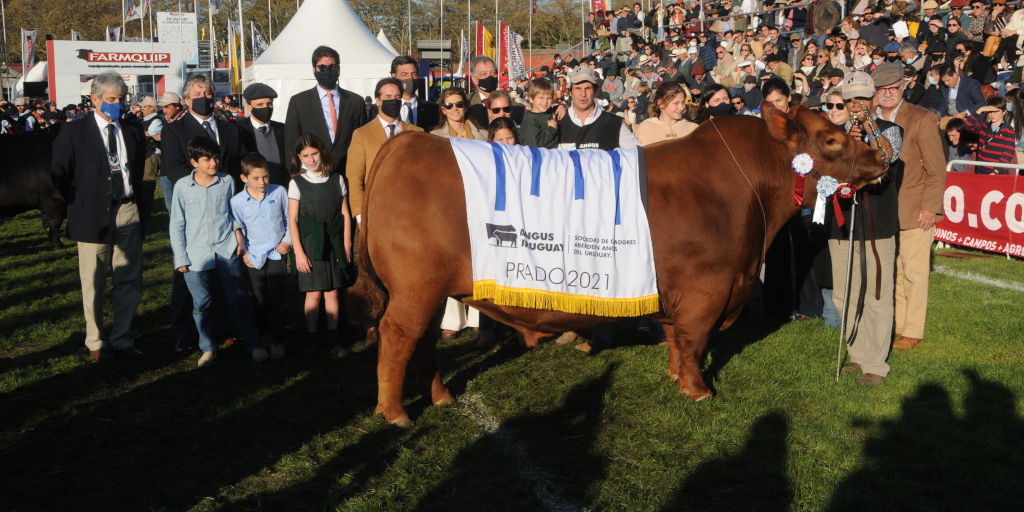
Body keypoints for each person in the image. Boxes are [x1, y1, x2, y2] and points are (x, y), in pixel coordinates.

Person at [50, 71, 147, 363]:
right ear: (94, 99)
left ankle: (122, 338)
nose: (117, 104)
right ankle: (95, 340)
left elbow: (138, 170)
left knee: (129, 278)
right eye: (111, 99)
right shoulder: (73, 132)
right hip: (90, 213)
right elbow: (59, 174)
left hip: (127, 209)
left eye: (121, 99)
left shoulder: (131, 130)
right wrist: (80, 200)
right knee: (93, 281)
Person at [829, 71, 903, 387]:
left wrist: (869, 128)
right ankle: (857, 354)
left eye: (862, 98)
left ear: (873, 99)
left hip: (878, 223)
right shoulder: (834, 134)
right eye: (850, 99)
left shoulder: (891, 130)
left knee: (877, 293)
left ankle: (876, 364)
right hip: (843, 223)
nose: (856, 104)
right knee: (844, 295)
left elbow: (887, 156)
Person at [161, 73, 244, 353]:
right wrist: (201, 185)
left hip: (224, 208)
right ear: (185, 100)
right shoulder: (174, 130)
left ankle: (222, 328)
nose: (204, 97)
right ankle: (184, 334)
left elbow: (234, 164)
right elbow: (172, 168)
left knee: (224, 273)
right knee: (188, 275)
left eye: (208, 93)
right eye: (197, 93)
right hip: (192, 210)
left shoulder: (228, 127)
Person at [170, 136, 266, 367]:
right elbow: (177, 223)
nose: (214, 163)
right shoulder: (182, 187)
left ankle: (253, 344)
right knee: (201, 304)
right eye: (207, 159)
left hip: (226, 249)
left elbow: (233, 213)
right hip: (195, 254)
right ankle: (208, 348)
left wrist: (237, 232)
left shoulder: (227, 181)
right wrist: (180, 257)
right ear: (194, 162)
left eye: (215, 158)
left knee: (239, 299)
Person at [872, 62, 947, 351]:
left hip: (916, 209)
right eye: (883, 89)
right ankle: (898, 324)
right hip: (882, 210)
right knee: (894, 271)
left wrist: (930, 207)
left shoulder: (922, 118)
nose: (888, 93)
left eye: (894, 88)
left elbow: (937, 169)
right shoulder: (867, 120)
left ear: (904, 87)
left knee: (915, 272)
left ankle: (913, 330)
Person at [288, 134, 353, 353]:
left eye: (314, 153)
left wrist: (346, 245)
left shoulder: (337, 179)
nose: (311, 159)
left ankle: (334, 340)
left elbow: (344, 213)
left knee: (332, 292)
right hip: (310, 244)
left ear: (322, 152)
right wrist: (298, 252)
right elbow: (293, 220)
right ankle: (312, 340)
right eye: (305, 155)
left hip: (334, 242)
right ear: (299, 157)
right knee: (314, 293)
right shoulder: (296, 183)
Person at [230, 153, 291, 359]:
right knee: (259, 299)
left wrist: (287, 241)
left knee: (277, 299)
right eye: (256, 178)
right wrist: (245, 253)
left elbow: (290, 218)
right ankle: (263, 336)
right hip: (254, 257)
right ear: (244, 178)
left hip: (276, 253)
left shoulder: (279, 192)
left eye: (265, 177)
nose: (263, 182)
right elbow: (237, 227)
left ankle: (277, 340)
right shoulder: (237, 202)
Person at [347, 78, 424, 223]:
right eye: (388, 97)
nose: (393, 101)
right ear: (378, 100)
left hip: (412, 210)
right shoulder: (362, 134)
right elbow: (354, 177)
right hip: (377, 211)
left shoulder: (417, 132)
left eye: (397, 97)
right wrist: (360, 215)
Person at [284, 45, 367, 174]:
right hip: (313, 177)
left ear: (338, 70)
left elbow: (363, 141)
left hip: (348, 174)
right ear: (314, 69)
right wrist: (299, 177)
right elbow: (291, 145)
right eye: (322, 67)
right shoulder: (299, 102)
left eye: (332, 67)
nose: (327, 71)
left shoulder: (356, 102)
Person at [557, 67, 641, 150]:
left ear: (595, 91)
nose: (583, 94)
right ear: (570, 92)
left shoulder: (615, 124)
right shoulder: (557, 123)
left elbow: (641, 153)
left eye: (588, 88)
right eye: (578, 88)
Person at [237, 83, 289, 187]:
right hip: (252, 192)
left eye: (269, 104)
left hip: (281, 189)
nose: (266, 108)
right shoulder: (238, 129)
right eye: (260, 105)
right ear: (248, 105)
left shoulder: (282, 129)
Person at [959, 96, 1017, 174]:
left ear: (1004, 112)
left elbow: (1007, 154)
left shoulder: (1009, 130)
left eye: (995, 112)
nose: (992, 115)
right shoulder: (984, 126)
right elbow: (967, 126)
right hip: (981, 171)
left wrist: (996, 172)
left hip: (998, 174)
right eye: (989, 111)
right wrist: (980, 110)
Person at [634, 81, 698, 144]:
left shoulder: (692, 129)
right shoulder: (645, 128)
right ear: (661, 103)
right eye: (676, 103)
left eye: (683, 102)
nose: (682, 107)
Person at [390, 55, 440, 130]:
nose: (410, 78)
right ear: (394, 76)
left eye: (414, 74)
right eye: (404, 74)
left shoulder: (432, 109)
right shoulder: (383, 108)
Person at [137, 96, 162, 232]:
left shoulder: (156, 120)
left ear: (152, 108)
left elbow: (150, 134)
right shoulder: (143, 120)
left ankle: (146, 214)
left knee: (148, 184)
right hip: (144, 154)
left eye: (145, 106)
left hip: (151, 155)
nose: (142, 108)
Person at [156, 92, 184, 209]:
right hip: (165, 172)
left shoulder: (186, 122)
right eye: (162, 107)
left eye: (167, 107)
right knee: (171, 209)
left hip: (181, 174)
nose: (164, 110)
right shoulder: (167, 123)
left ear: (177, 106)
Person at [519, 78, 560, 148]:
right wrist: (551, 129)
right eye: (541, 98)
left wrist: (562, 106)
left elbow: (557, 108)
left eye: (549, 98)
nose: (545, 101)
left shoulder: (548, 112)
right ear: (531, 99)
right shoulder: (530, 121)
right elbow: (536, 145)